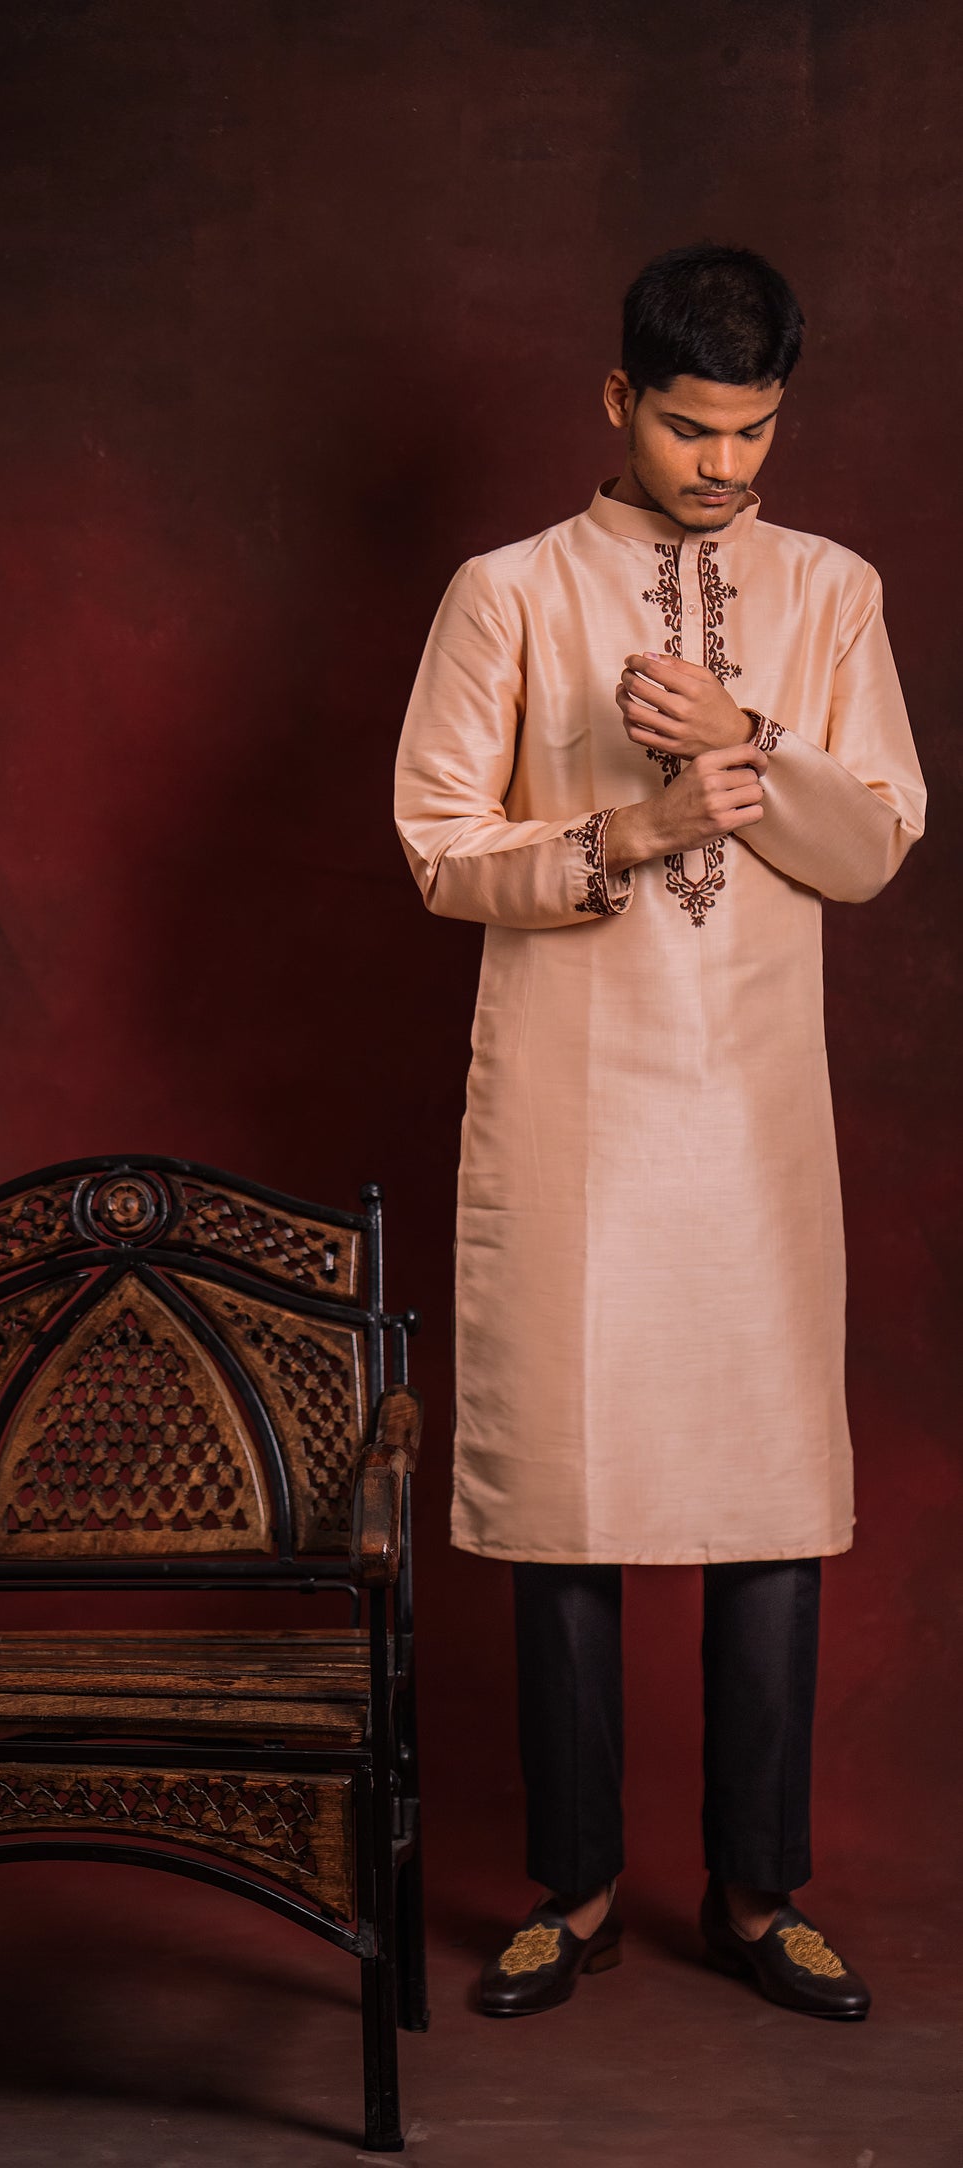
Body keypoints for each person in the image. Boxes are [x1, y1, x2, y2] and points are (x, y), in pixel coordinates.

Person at [394, 242, 925, 2020]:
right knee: (568, 1498)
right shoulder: (509, 593)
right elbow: (436, 849)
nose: (723, 463)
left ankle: (758, 1893)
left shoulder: (829, 591)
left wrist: (744, 733)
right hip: (571, 1101)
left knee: (768, 1496)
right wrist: (626, 831)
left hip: (753, 1111)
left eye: (754, 429)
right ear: (616, 399)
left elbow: (874, 846)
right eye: (692, 427)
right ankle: (576, 1889)